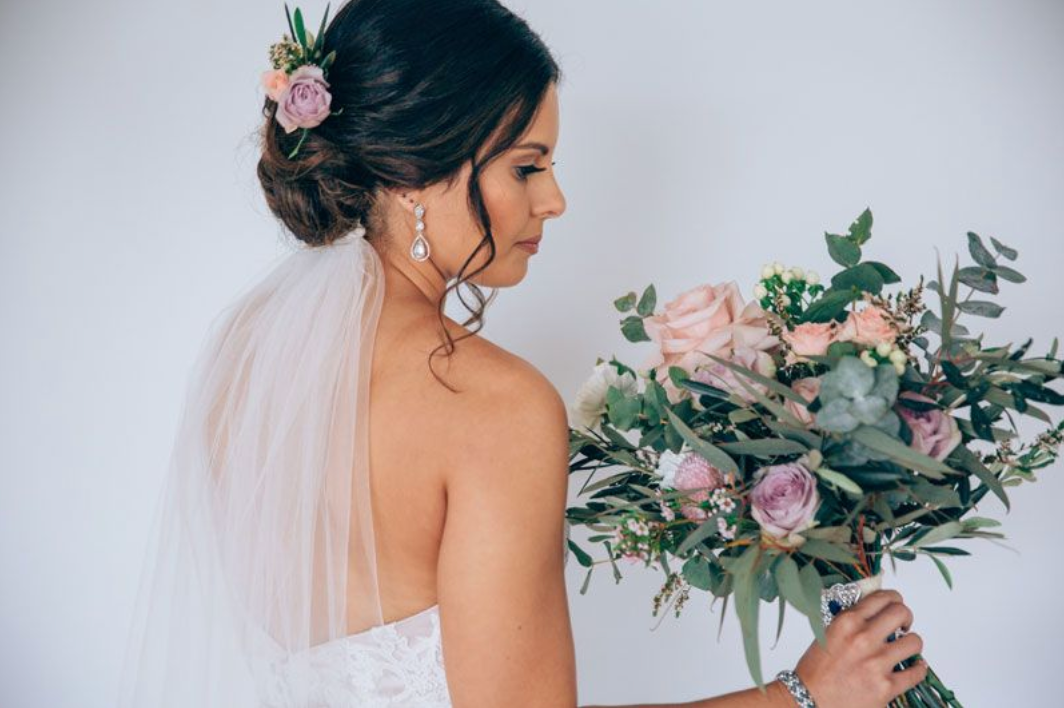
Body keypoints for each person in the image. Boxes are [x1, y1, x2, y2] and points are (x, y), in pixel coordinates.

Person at [117, 0, 929, 706]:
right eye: (526, 166)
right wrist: (808, 694)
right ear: (409, 173)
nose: (556, 199)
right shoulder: (490, 405)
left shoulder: (250, 349)